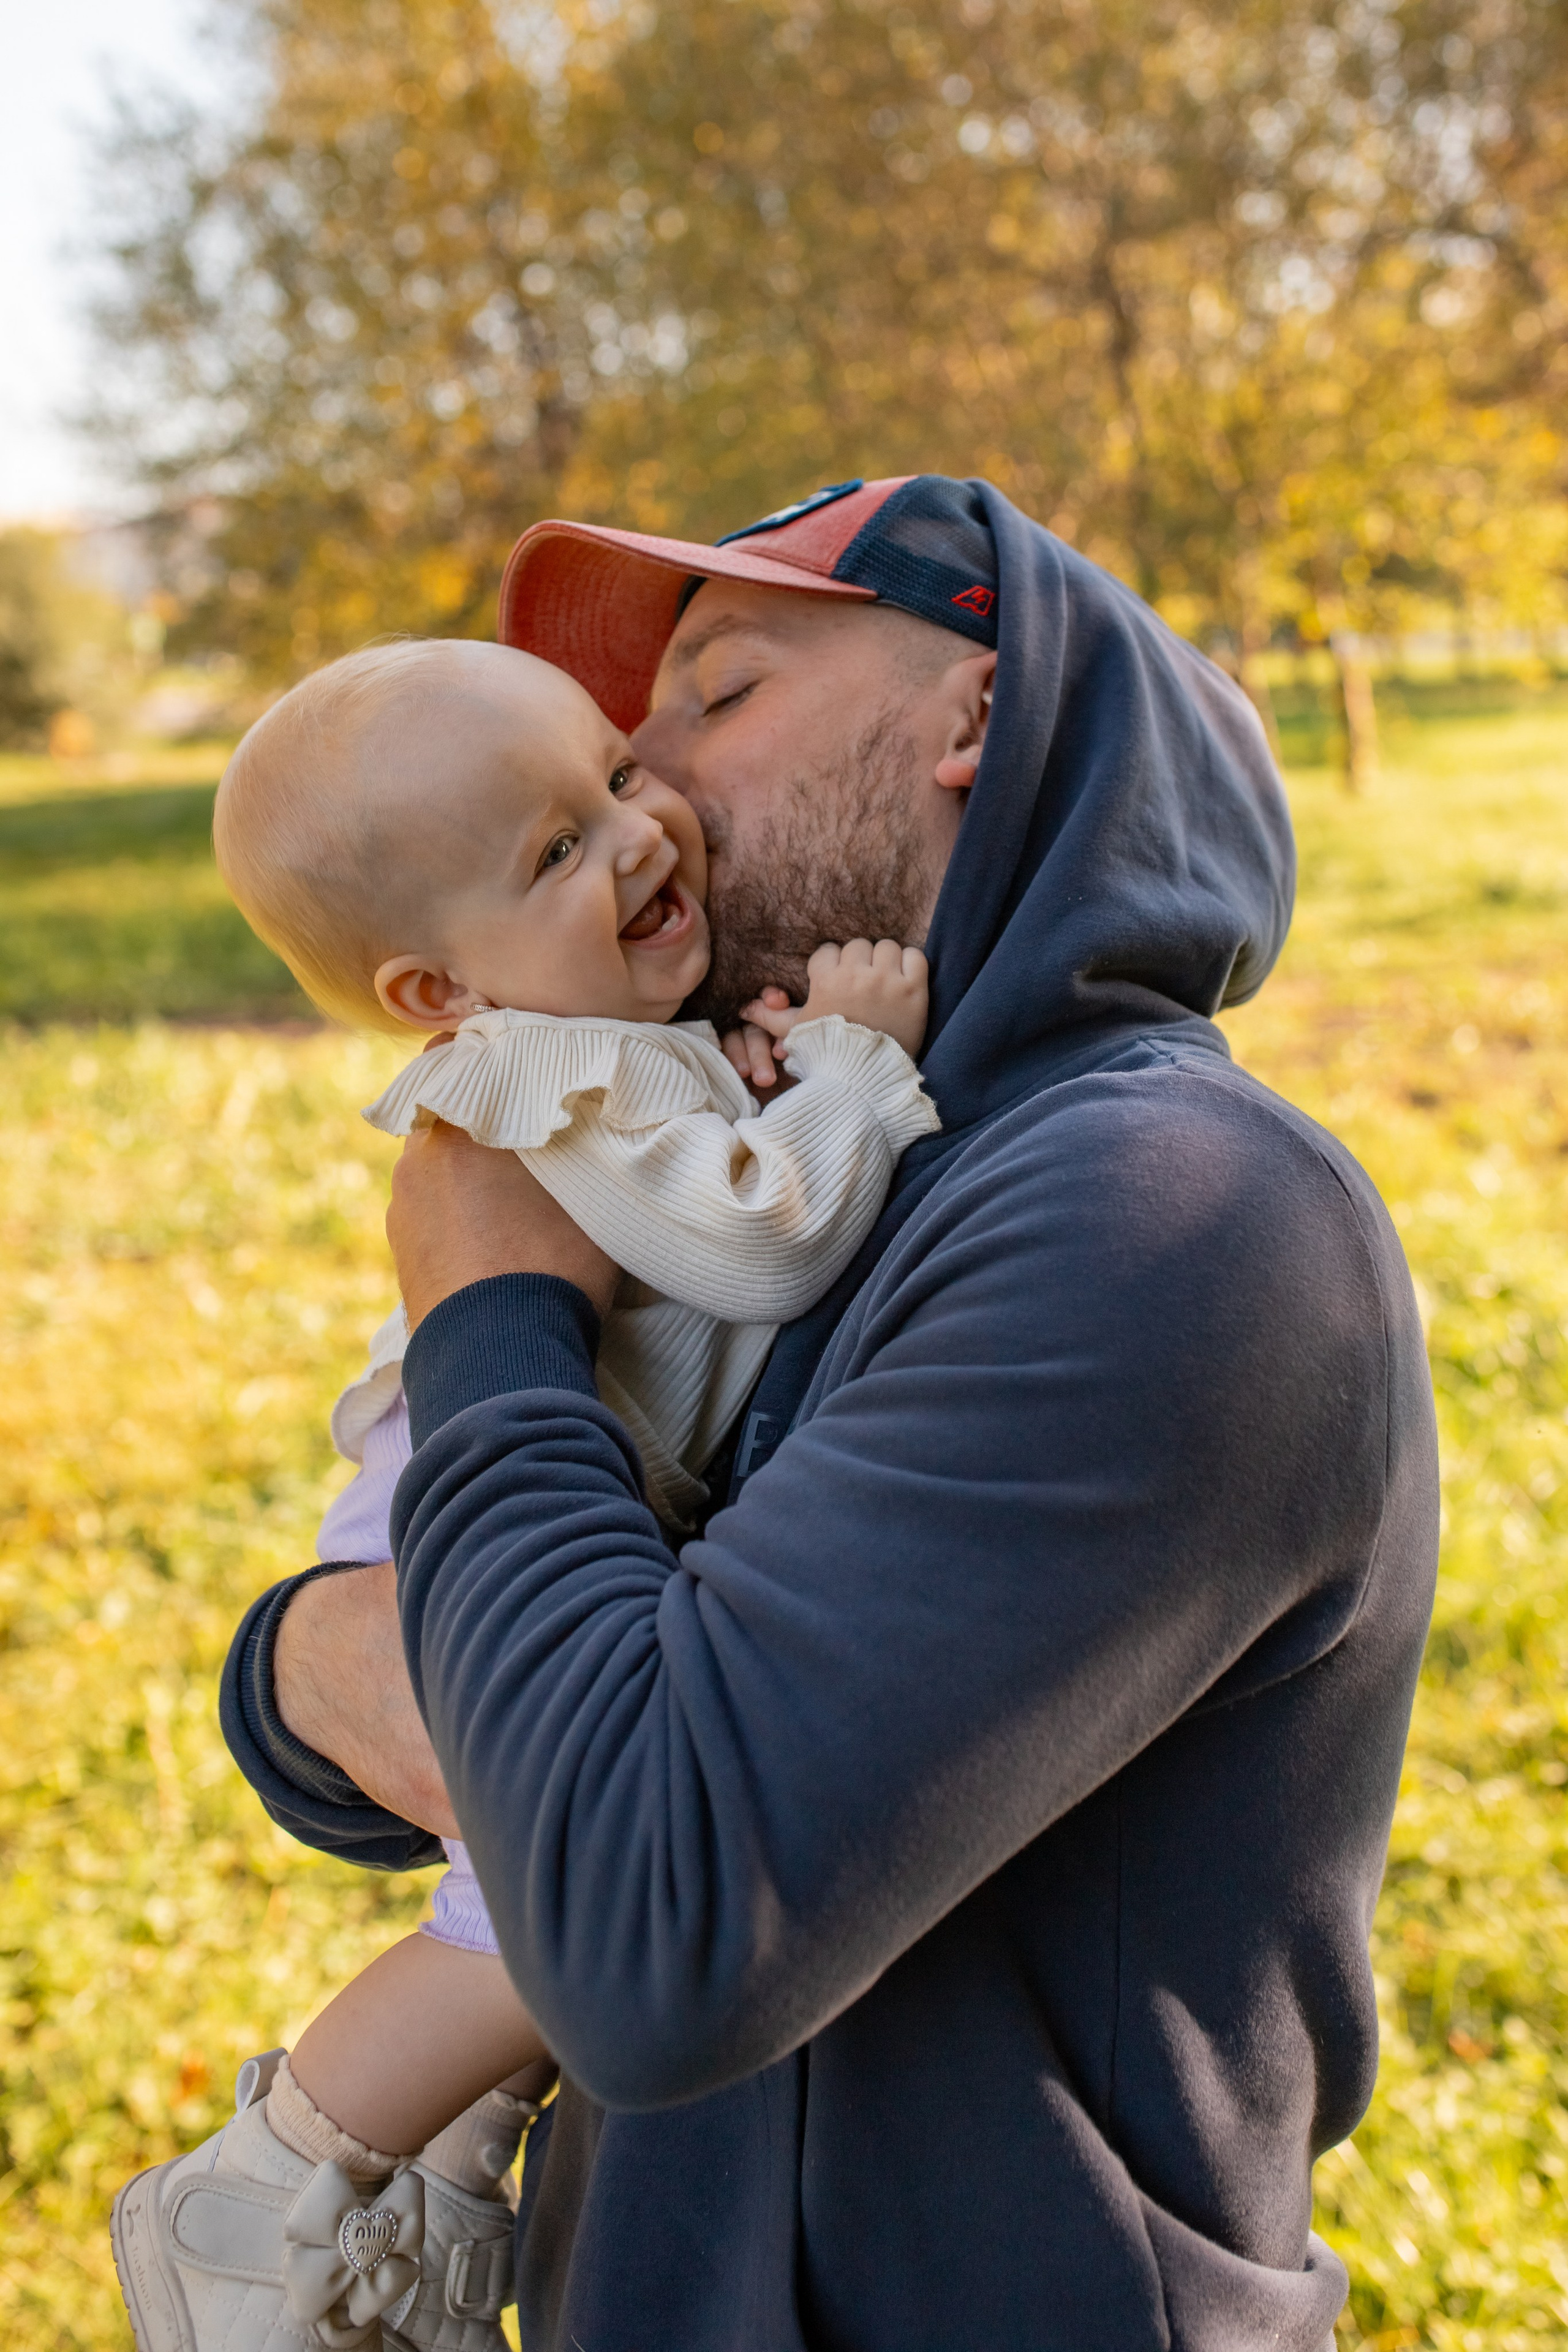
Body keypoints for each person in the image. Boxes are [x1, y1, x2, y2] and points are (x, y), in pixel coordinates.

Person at [224, 475, 1439, 2351]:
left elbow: (641, 1919)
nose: (656, 783)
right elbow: (480, 1747)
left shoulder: (1173, 1217)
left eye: (719, 691)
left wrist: (486, 1311)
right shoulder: (804, 1154)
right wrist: (308, 1664)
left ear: (970, 715)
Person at [109, 635, 938, 2352]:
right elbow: (754, 1239)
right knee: (528, 1910)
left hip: (520, 1491)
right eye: (553, 853)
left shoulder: (611, 1039)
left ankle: (426, 2175)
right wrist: (855, 1069)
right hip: (457, 1509)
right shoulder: (531, 1079)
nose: (640, 835)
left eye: (616, 781)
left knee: (545, 1904)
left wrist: (759, 1063)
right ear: (435, 993)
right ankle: (262, 2192)